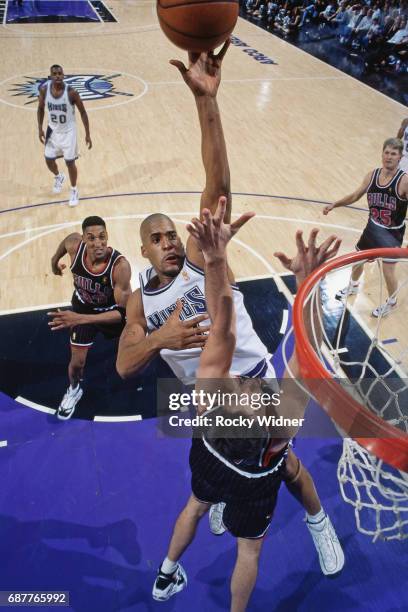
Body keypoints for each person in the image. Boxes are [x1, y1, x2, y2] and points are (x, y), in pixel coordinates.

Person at [117, 42, 343, 576]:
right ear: (144, 249)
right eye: (157, 238)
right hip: (209, 403)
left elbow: (219, 187)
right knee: (213, 476)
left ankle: (318, 524)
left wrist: (206, 103)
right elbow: (126, 366)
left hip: (256, 381)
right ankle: (226, 497)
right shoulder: (139, 302)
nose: (170, 241)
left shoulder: (202, 256)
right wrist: (158, 340)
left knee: (286, 465)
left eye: (173, 232)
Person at [152, 199, 344, 608]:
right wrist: (307, 288)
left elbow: (222, 323)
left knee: (195, 505)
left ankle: (166, 572)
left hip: (208, 462)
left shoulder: (207, 396)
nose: (253, 385)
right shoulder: (280, 429)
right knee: (249, 551)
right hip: (253, 481)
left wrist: (216, 259)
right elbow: (303, 355)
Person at [48, 216, 132, 419]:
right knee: (77, 363)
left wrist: (79, 319)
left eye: (102, 237)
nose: (98, 243)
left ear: (107, 237)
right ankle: (75, 389)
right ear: (84, 240)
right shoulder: (74, 247)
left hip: (110, 312)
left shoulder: (119, 267)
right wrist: (53, 262)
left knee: (133, 337)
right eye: (91, 238)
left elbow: (123, 313)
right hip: (82, 307)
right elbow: (67, 239)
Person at [323, 138, 408, 317]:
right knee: (357, 259)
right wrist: (335, 204)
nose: (389, 157)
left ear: (400, 157)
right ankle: (353, 287)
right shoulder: (372, 175)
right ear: (382, 154)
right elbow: (355, 195)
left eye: (393, 154)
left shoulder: (404, 181)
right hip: (373, 227)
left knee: (388, 270)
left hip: (392, 233)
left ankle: (391, 302)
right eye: (386, 152)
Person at [37, 64, 92, 207]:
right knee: (48, 159)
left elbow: (83, 112)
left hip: (69, 131)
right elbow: (40, 109)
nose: (57, 76)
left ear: (63, 75)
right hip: (52, 130)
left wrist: (87, 134)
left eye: (60, 73)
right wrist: (39, 128)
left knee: (70, 162)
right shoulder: (44, 90)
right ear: (50, 76)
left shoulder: (71, 92)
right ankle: (58, 176)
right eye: (54, 73)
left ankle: (74, 190)